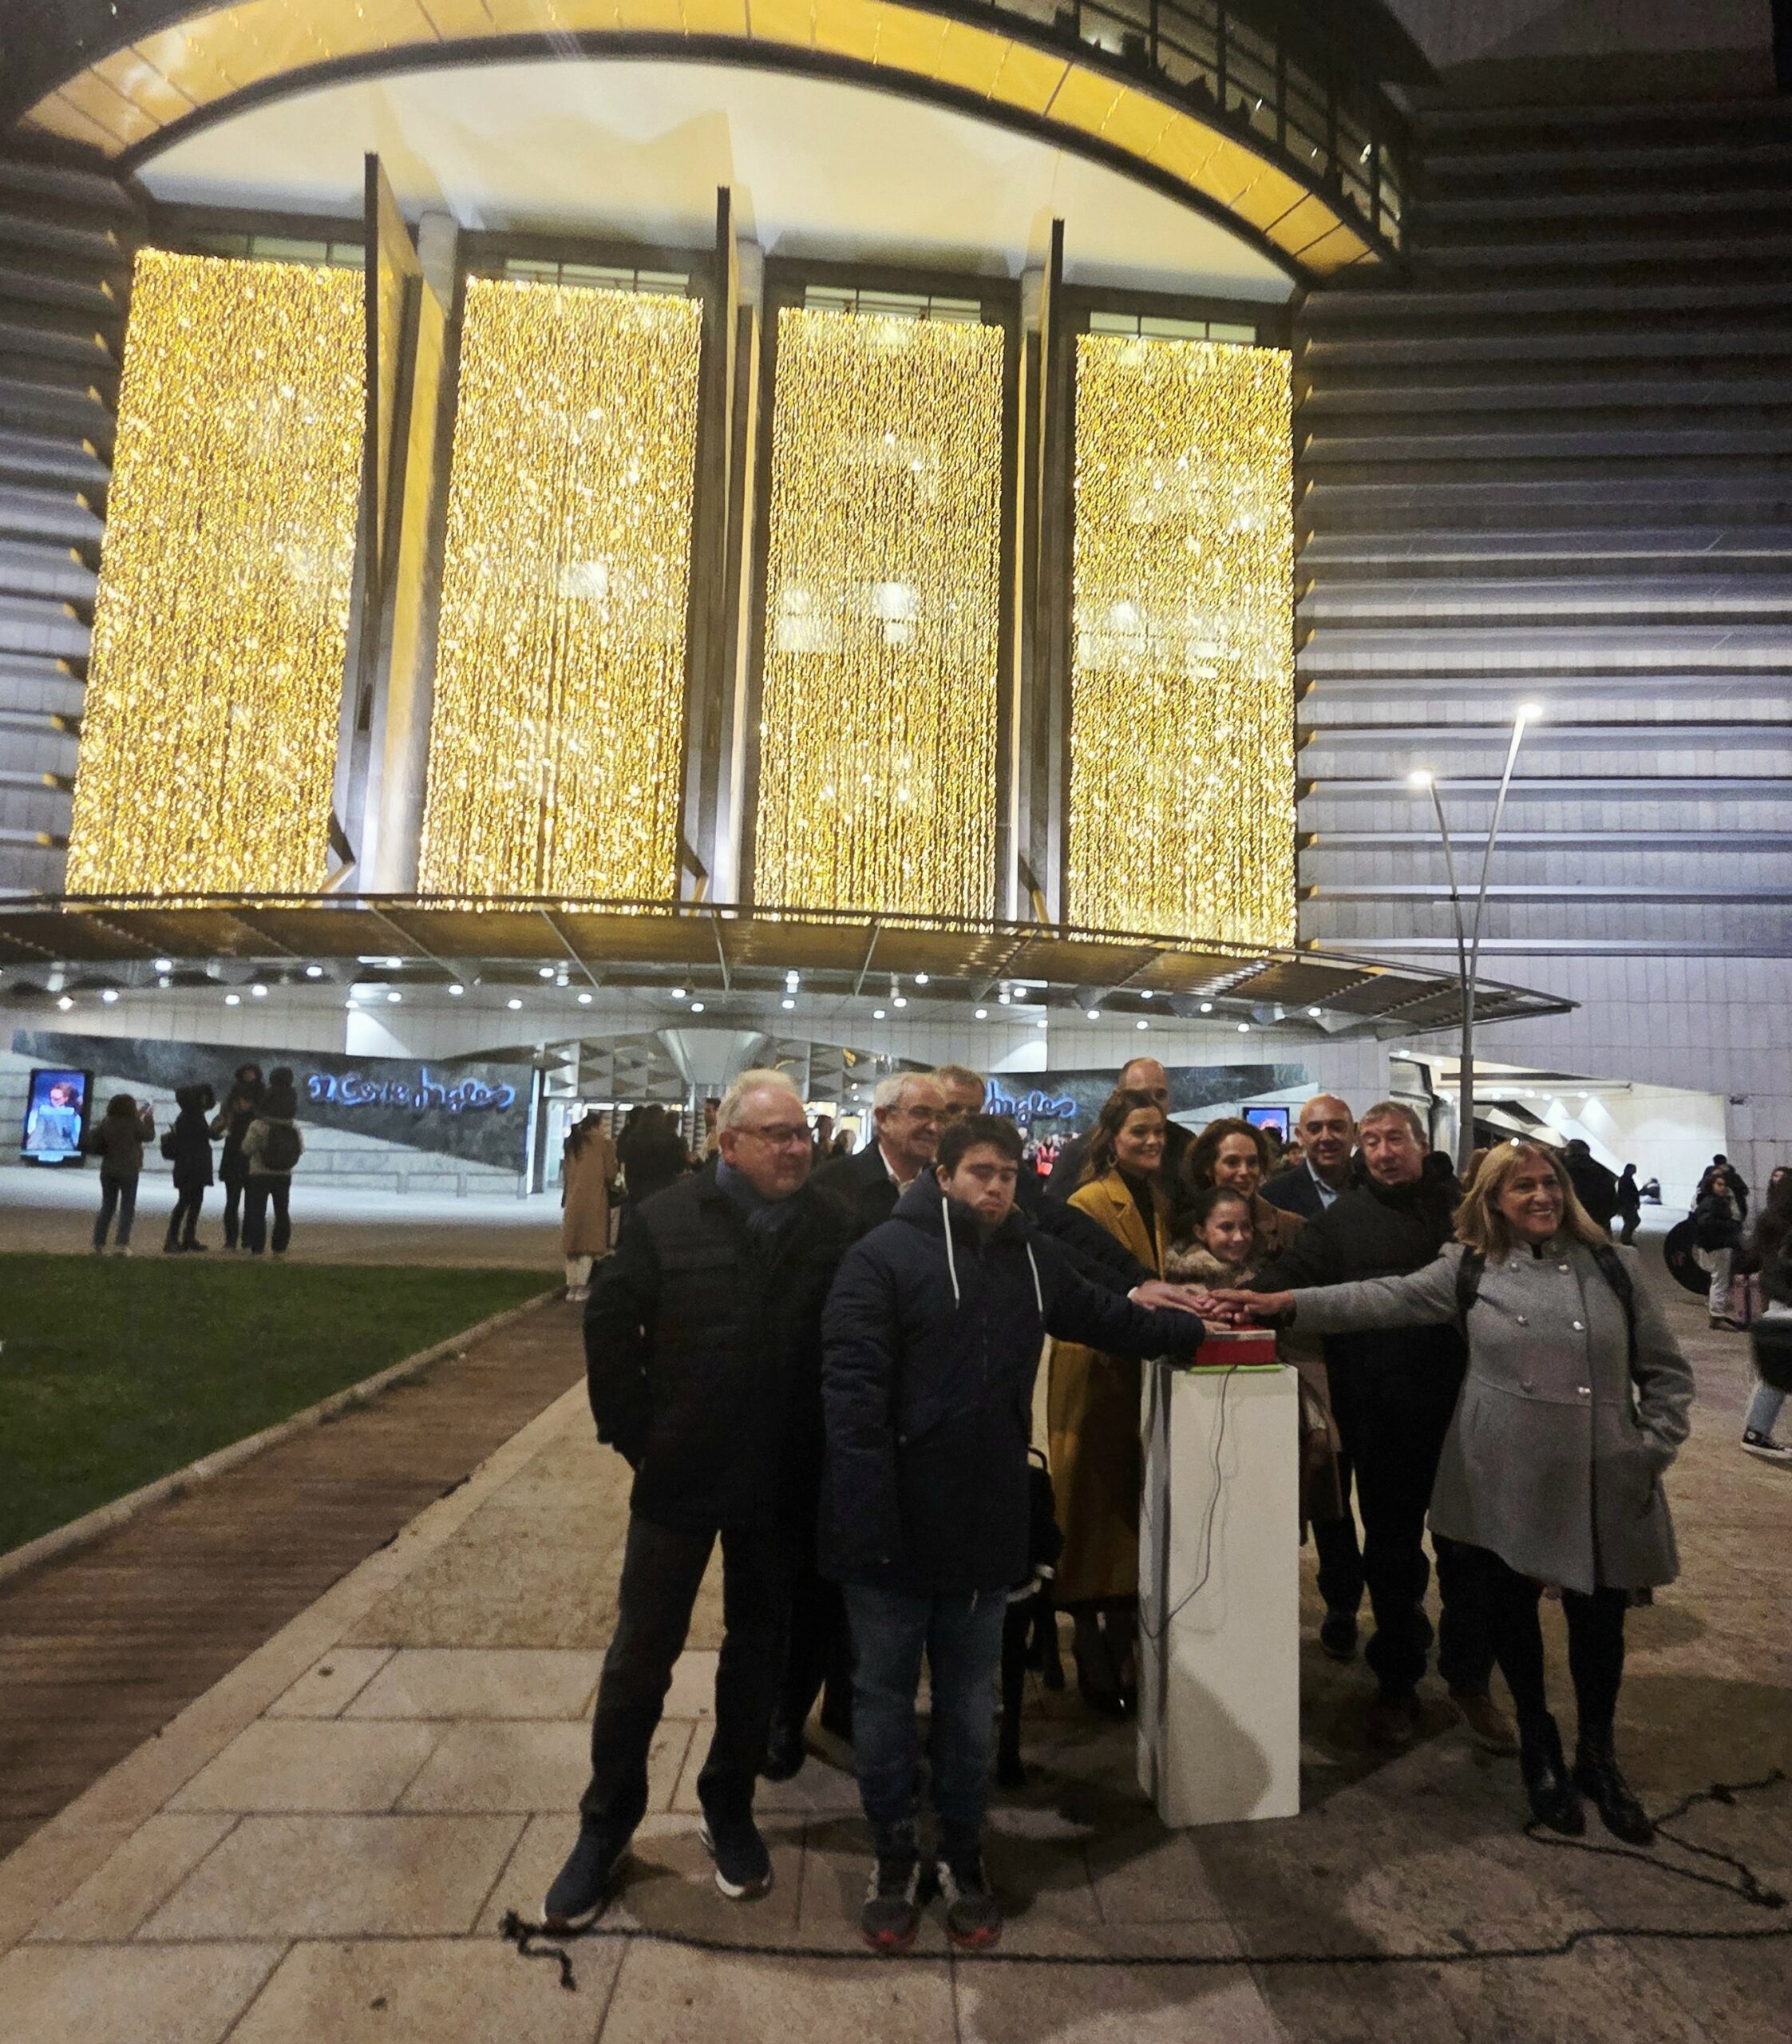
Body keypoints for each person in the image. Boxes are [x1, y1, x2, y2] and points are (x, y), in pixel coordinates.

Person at [1226, 1139, 1694, 1843]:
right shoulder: (1470, 1266)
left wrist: (1646, 1448)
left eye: (1549, 1184)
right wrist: (1282, 1303)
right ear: (1493, 1203)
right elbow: (1377, 1299)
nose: (1540, 1197)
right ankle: (1539, 1747)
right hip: (1503, 1474)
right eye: (1522, 1188)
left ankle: (1597, 1757)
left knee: (1599, 1627)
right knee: (1513, 1619)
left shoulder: (1614, 1267)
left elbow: (1666, 1373)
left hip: (1601, 1473)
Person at [821, 1112, 1205, 1953]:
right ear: (943, 1175)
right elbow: (850, 1406)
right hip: (889, 1529)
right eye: (980, 1173)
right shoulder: (880, 1260)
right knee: (882, 1698)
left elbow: (1111, 1317)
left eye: (1007, 1175)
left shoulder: (1032, 1259)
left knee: (969, 1703)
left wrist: (1205, 1326)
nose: (996, 1188)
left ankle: (962, 1852)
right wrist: (864, 1525)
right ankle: (893, 1854)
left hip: (986, 1520)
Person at [544, 1071, 854, 1930]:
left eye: (801, 1132)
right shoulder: (665, 1219)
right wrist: (635, 1434)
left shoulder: (831, 1227)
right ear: (729, 1144)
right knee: (641, 1652)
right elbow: (610, 1325)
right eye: (778, 1135)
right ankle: (605, 1824)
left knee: (758, 1649)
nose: (799, 1147)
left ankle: (729, 1805)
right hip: (681, 1473)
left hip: (781, 1479)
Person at [1244, 1102, 1506, 1752]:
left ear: (1421, 1144)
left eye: (1395, 1139)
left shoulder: (1463, 1214)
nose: (1384, 1152)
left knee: (1469, 1557)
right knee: (1390, 1556)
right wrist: (1229, 1297)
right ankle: (1397, 1683)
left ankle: (1470, 1680)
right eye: (1373, 1142)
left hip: (1464, 1415)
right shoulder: (1339, 1224)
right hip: (1380, 1415)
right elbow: (1288, 1280)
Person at [1046, 1087, 1174, 1717]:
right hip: (1098, 1371)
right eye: (1138, 1132)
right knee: (1093, 1508)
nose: (1150, 1141)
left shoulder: (1165, 1200)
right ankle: (1089, 1639)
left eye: (1158, 1131)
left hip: (1147, 1368)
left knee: (1134, 1508)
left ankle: (1124, 1633)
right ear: (1111, 1139)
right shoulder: (1090, 1202)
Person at [813, 1072, 947, 1234]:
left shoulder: (944, 1187)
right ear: (883, 1118)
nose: (934, 1127)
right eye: (920, 1113)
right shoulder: (833, 1182)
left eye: (940, 1117)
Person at [1046, 1057, 1191, 1198]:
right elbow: (1055, 1213)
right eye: (1140, 1096)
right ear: (1117, 1097)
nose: (1152, 1104)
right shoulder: (1078, 1153)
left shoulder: (1186, 1146)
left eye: (1160, 1095)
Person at [1181, 1115, 1304, 1264]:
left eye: (1252, 1162)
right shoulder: (1182, 1231)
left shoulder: (1292, 1228)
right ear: (1208, 1167)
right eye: (1232, 1162)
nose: (1245, 1172)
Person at [1741, 1168, 1792, 1465]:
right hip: (1787, 1305)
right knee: (1775, 1376)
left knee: (1774, 1375)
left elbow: (1754, 1260)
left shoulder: (1770, 1222)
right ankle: (1755, 1433)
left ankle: (1756, 1432)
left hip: (1778, 1305)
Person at [240, 1070, 303, 1258]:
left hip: (260, 1172)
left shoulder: (259, 1125)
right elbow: (300, 1147)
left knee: (258, 1210)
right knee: (282, 1211)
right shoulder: (293, 1126)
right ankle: (279, 1246)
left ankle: (258, 1247)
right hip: (284, 1174)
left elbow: (246, 1148)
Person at [1262, 1095, 1355, 1220]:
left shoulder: (1376, 1187)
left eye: (1337, 1127)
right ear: (1300, 1137)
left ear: (1354, 1133)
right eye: (1315, 1129)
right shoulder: (1273, 1197)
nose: (1326, 1137)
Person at [561, 1112, 619, 1302]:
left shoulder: (573, 1143)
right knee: (587, 1244)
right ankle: (583, 1286)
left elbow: (567, 1173)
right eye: (603, 1124)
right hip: (594, 1198)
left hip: (573, 1197)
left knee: (573, 1245)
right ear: (598, 1125)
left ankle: (572, 1287)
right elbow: (611, 1173)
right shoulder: (603, 1144)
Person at [87, 1093, 155, 1254]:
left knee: (107, 1206)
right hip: (129, 1169)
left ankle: (99, 1242)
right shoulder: (133, 1123)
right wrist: (149, 1120)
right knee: (127, 1208)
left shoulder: (107, 1122)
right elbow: (149, 1136)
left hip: (108, 1168)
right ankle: (121, 1244)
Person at [209, 1064, 263, 1252]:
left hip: (253, 1157)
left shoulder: (261, 1103)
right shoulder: (230, 1103)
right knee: (232, 1201)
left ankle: (247, 1240)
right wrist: (218, 1127)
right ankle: (230, 1241)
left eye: (252, 1074)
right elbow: (217, 1131)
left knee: (251, 1203)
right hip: (233, 1155)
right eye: (246, 1074)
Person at [1164, 1182, 1257, 1288]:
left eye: (1246, 1227)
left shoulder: (1258, 1271)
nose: (1239, 1237)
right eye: (1226, 1227)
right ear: (1201, 1232)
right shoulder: (1185, 1283)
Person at [162, 1083, 216, 1254]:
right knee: (186, 1202)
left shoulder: (189, 1116)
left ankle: (185, 1238)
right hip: (191, 1165)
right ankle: (175, 1239)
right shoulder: (191, 1117)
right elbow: (200, 1137)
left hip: (191, 1165)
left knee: (192, 1202)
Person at [1691, 1167, 1746, 1329]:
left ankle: (1717, 1313)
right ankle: (1717, 1315)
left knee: (1717, 1279)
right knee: (1719, 1280)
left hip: (1714, 1244)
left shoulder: (1710, 1201)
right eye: (1719, 1184)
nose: (1723, 1188)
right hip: (1718, 1245)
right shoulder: (1713, 1202)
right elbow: (1707, 1224)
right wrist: (1730, 1226)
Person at [616, 1103, 688, 1208]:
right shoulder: (670, 1141)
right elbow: (679, 1167)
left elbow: (627, 1165)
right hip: (663, 1194)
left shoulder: (633, 1140)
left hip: (638, 1194)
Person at [1563, 1139, 1619, 1234]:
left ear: (1569, 1152)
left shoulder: (1562, 1171)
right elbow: (1612, 1197)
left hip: (1572, 1221)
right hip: (1600, 1221)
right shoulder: (1601, 1170)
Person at [1616, 1164, 1642, 1246]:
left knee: (1632, 1221)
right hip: (1628, 1205)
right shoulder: (1626, 1180)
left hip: (1628, 1205)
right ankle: (1626, 1239)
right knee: (1631, 1221)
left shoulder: (1627, 1179)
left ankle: (1626, 1238)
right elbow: (1627, 1194)